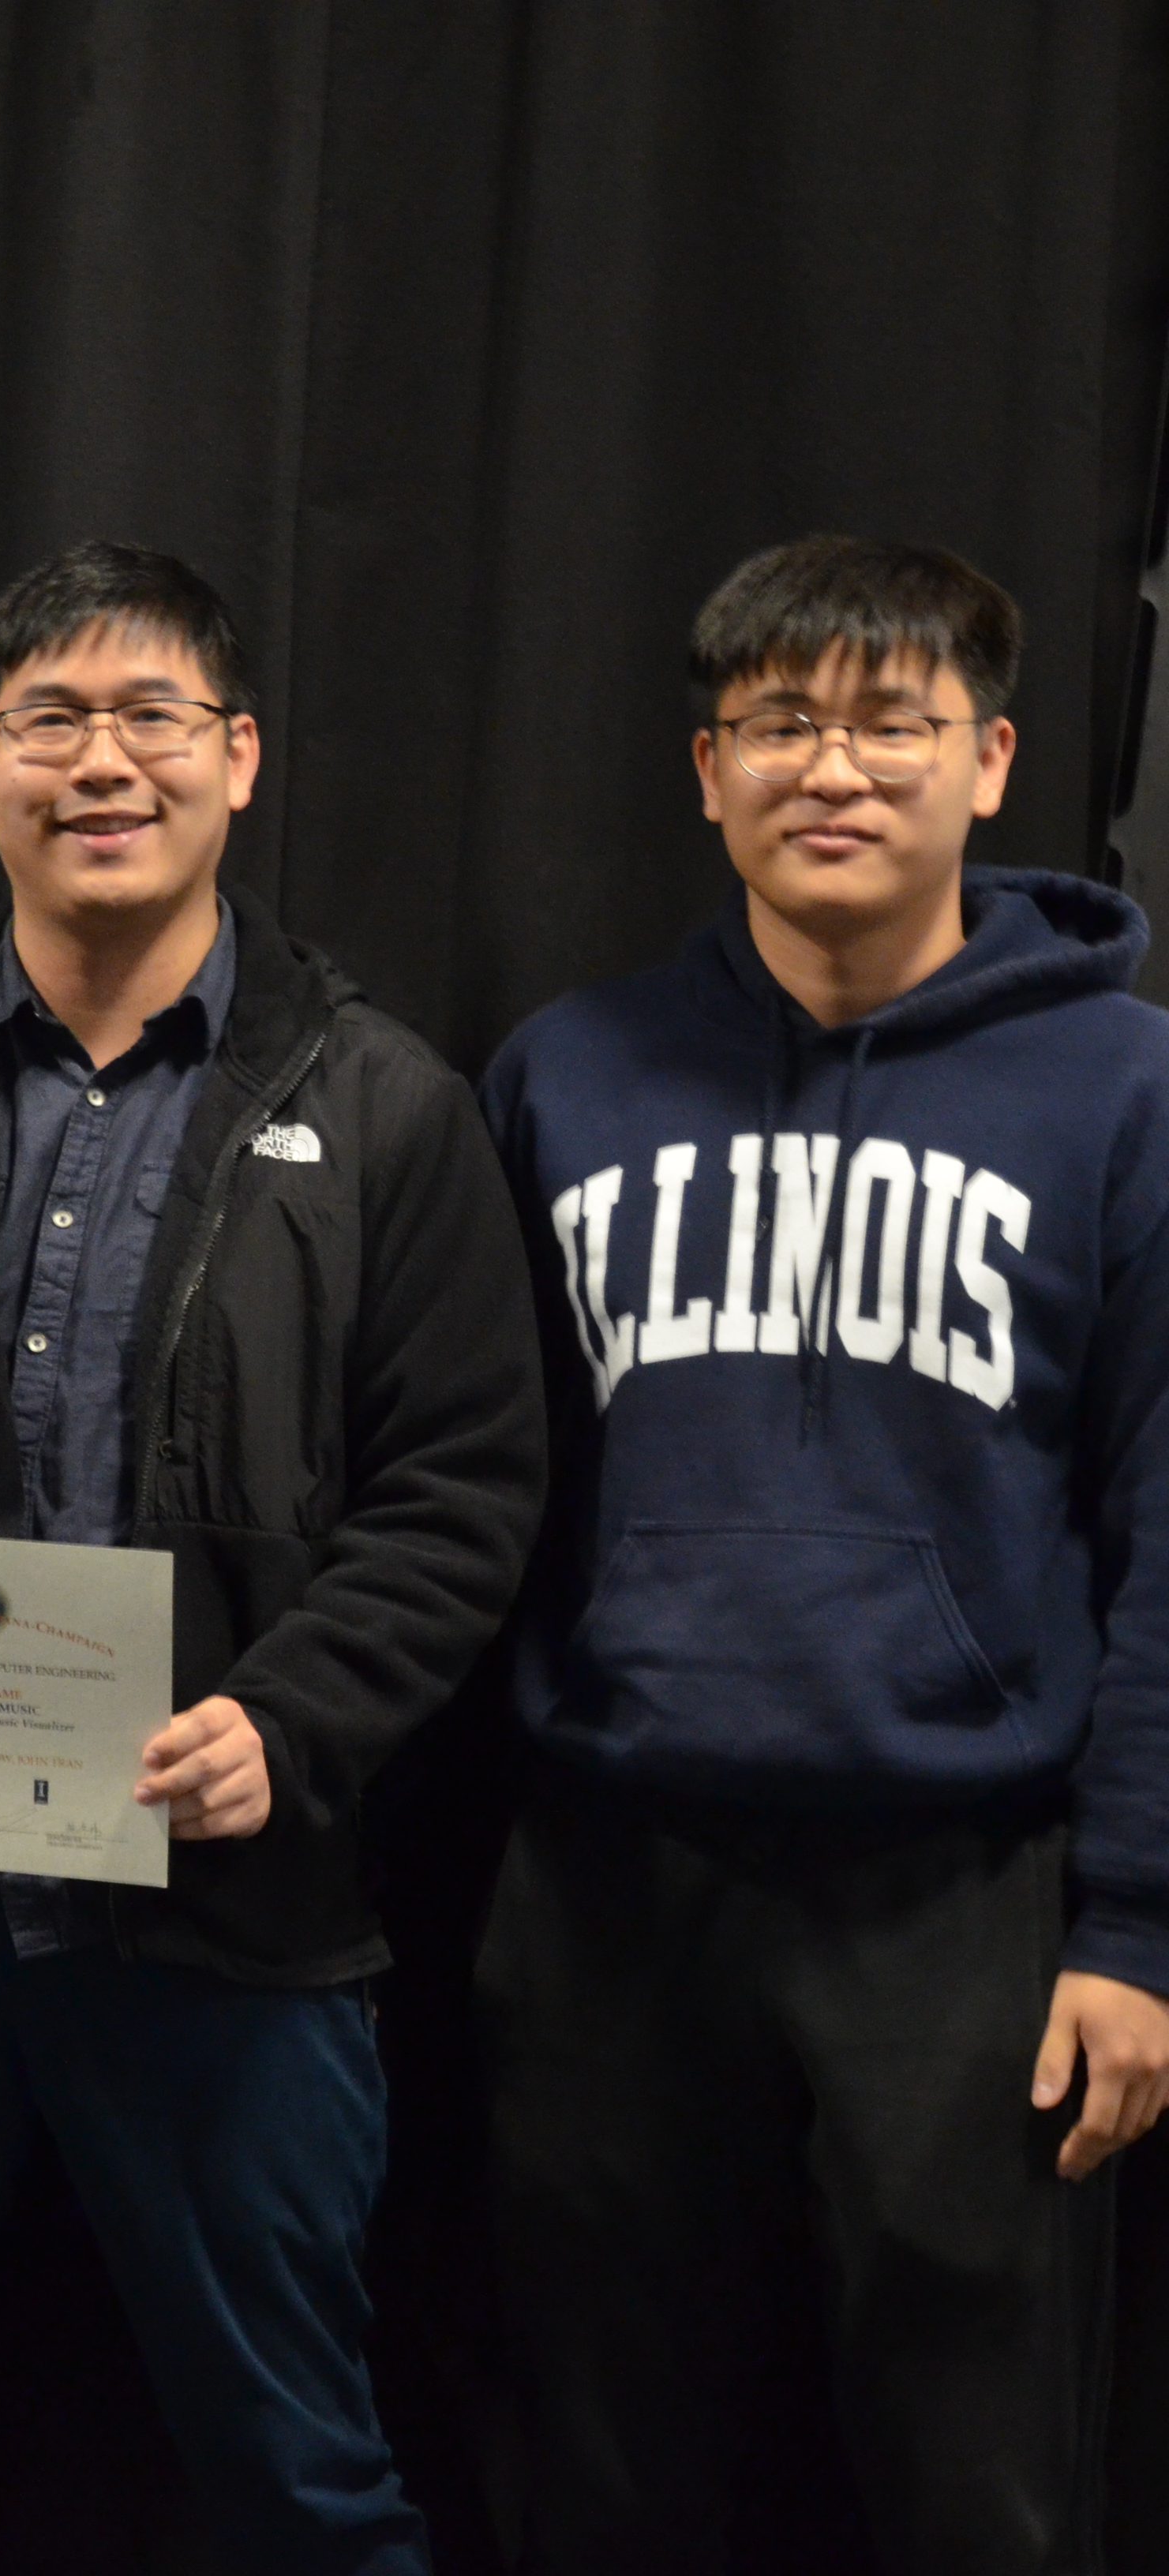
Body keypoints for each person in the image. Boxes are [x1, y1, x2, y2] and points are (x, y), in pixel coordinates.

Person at [0, 542, 545, 2574]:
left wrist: (288, 1727)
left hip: (224, 1929)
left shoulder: (380, 1105)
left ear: (239, 761)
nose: (102, 761)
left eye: (153, 717)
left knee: (298, 2475)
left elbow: (464, 1491)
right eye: (50, 720)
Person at [477, 536, 1169, 2573]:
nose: (835, 768)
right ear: (709, 772)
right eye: (782, 723)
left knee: (976, 2493)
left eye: (892, 723)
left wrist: (1134, 1920)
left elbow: (1164, 1526)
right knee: (591, 2475)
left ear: (994, 760)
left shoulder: (1126, 1090)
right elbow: (488, 1496)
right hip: (610, 1880)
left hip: (961, 1892)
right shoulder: (565, 1073)